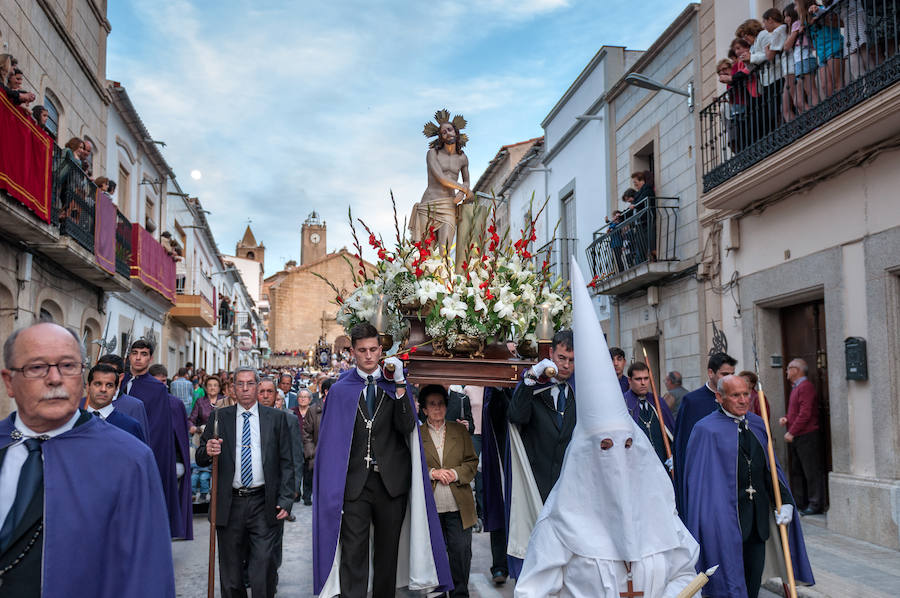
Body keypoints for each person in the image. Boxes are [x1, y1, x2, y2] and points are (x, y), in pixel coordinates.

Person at [516, 259, 699, 597]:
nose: (616, 458)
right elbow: (532, 592)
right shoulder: (559, 527)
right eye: (604, 448)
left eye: (627, 446)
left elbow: (684, 574)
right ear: (583, 456)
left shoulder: (660, 513)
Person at [0, 323, 175, 596]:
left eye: (68, 366)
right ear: (9, 381)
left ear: (81, 377)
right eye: (36, 367)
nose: (55, 379)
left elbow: (147, 575)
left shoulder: (130, 459)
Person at [312, 322, 452, 597]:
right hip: (354, 485)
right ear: (352, 352)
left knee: (387, 557)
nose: (368, 355)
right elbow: (331, 443)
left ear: (381, 350)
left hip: (391, 484)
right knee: (354, 555)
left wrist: (400, 386)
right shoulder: (340, 390)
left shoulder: (395, 385)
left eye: (373, 349)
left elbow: (406, 426)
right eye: (362, 350)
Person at [684, 375, 814, 598]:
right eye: (736, 395)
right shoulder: (705, 430)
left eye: (746, 394)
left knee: (752, 584)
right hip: (723, 524)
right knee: (726, 585)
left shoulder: (757, 423)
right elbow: (698, 485)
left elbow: (770, 470)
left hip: (756, 522)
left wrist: (786, 503)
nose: (743, 400)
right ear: (719, 397)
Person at [196, 367, 295, 598]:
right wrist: (208, 449)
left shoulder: (276, 418)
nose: (245, 389)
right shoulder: (220, 417)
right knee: (231, 576)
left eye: (250, 383)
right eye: (240, 384)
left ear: (258, 386)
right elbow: (201, 455)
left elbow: (287, 462)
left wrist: (286, 499)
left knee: (262, 568)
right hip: (229, 503)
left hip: (263, 502)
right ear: (232, 388)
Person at [506, 329, 576, 577]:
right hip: (536, 484)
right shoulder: (533, 388)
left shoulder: (580, 393)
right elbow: (516, 416)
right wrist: (528, 380)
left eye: (572, 360)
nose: (566, 365)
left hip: (570, 487)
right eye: (562, 358)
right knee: (537, 558)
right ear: (550, 354)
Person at [420, 385, 479, 598]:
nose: (437, 408)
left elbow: (472, 462)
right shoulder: (417, 435)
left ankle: (460, 594)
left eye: (441, 404)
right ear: (424, 409)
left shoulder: (459, 430)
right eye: (432, 404)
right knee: (434, 556)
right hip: (430, 507)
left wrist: (454, 473)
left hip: (458, 506)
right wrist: (432, 473)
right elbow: (411, 466)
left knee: (460, 554)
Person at [121, 340, 181, 538]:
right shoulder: (119, 382)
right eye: (135, 353)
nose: (138, 358)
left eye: (144, 354)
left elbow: (157, 426)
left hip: (142, 450)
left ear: (150, 358)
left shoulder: (157, 388)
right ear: (129, 355)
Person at [673, 351, 737, 518]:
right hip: (704, 474)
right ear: (710, 373)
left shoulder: (737, 400)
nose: (729, 379)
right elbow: (684, 445)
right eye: (724, 374)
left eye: (732, 374)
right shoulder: (692, 401)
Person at [412, 113, 474, 248]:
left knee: (444, 250)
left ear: (456, 132)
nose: (447, 134)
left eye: (450, 130)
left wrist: (463, 192)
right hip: (429, 203)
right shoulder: (432, 154)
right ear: (440, 137)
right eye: (443, 132)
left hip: (449, 204)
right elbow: (441, 178)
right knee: (426, 252)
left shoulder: (463, 158)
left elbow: (467, 180)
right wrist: (464, 189)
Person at [150, 363, 194, 541]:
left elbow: (181, 436)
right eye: (156, 382)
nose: (161, 386)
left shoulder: (175, 404)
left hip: (173, 463)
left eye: (162, 382)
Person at [779, 358, 824, 515]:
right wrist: (787, 419)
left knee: (811, 471)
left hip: (807, 436)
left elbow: (806, 413)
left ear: (796, 370)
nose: (786, 371)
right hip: (799, 436)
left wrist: (792, 431)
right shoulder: (797, 387)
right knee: (798, 471)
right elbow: (798, 411)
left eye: (788, 368)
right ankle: (799, 503)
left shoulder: (805, 387)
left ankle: (815, 503)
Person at [623, 361, 675, 470]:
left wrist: (673, 455)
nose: (643, 383)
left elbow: (671, 433)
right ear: (629, 380)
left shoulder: (658, 402)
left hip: (663, 465)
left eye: (646, 378)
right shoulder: (623, 404)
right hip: (637, 467)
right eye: (638, 379)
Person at [84, 363, 145, 441]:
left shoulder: (130, 426)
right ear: (88, 387)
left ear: (116, 390)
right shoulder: (73, 421)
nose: (103, 389)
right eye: (98, 384)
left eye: (109, 385)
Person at [95, 353, 150, 438]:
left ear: (120, 377)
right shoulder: (82, 403)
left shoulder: (134, 406)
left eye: (109, 372)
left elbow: (141, 445)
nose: (103, 377)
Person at [292, 388, 314, 505]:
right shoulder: (291, 412)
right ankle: (296, 493)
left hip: (309, 446)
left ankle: (307, 496)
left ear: (310, 400)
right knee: (296, 472)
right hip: (295, 446)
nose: (303, 399)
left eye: (305, 397)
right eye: (300, 397)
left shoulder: (314, 411)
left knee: (308, 472)